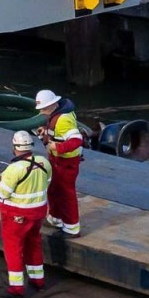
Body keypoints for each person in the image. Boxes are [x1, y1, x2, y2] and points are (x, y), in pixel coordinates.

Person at [0, 131, 53, 298]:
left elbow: (2, 194)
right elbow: (47, 182)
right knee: (33, 244)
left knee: (13, 249)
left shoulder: (14, 169)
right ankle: (38, 280)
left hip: (16, 215)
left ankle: (16, 289)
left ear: (15, 147)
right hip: (38, 212)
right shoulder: (43, 162)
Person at [35, 88, 84, 237]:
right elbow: (57, 133)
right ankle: (56, 218)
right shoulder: (56, 116)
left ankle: (72, 227)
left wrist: (58, 147)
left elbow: (76, 140)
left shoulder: (63, 119)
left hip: (65, 163)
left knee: (65, 194)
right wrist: (45, 131)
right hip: (56, 162)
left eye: (43, 109)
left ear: (51, 106)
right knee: (54, 189)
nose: (41, 112)